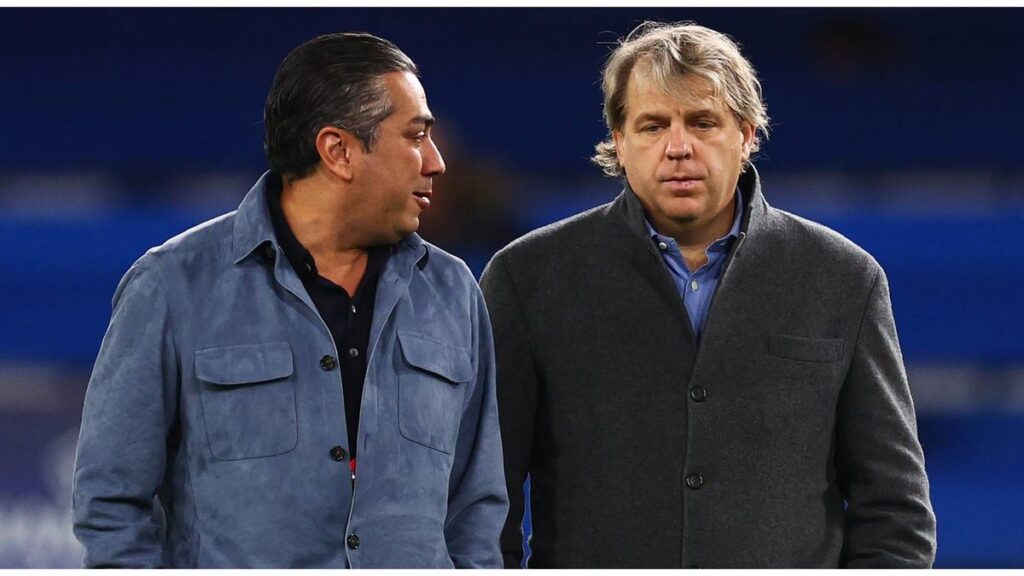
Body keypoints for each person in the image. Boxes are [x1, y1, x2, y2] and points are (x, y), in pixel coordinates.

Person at [480, 21, 936, 568]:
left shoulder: (843, 277)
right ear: (619, 143)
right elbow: (484, 503)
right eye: (652, 126)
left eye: (702, 122)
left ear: (747, 136)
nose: (678, 147)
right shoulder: (527, 277)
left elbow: (895, 509)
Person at [72, 32, 507, 568]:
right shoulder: (171, 286)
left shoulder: (454, 291)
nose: (436, 162)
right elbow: (112, 505)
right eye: (415, 136)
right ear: (338, 151)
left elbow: (477, 508)